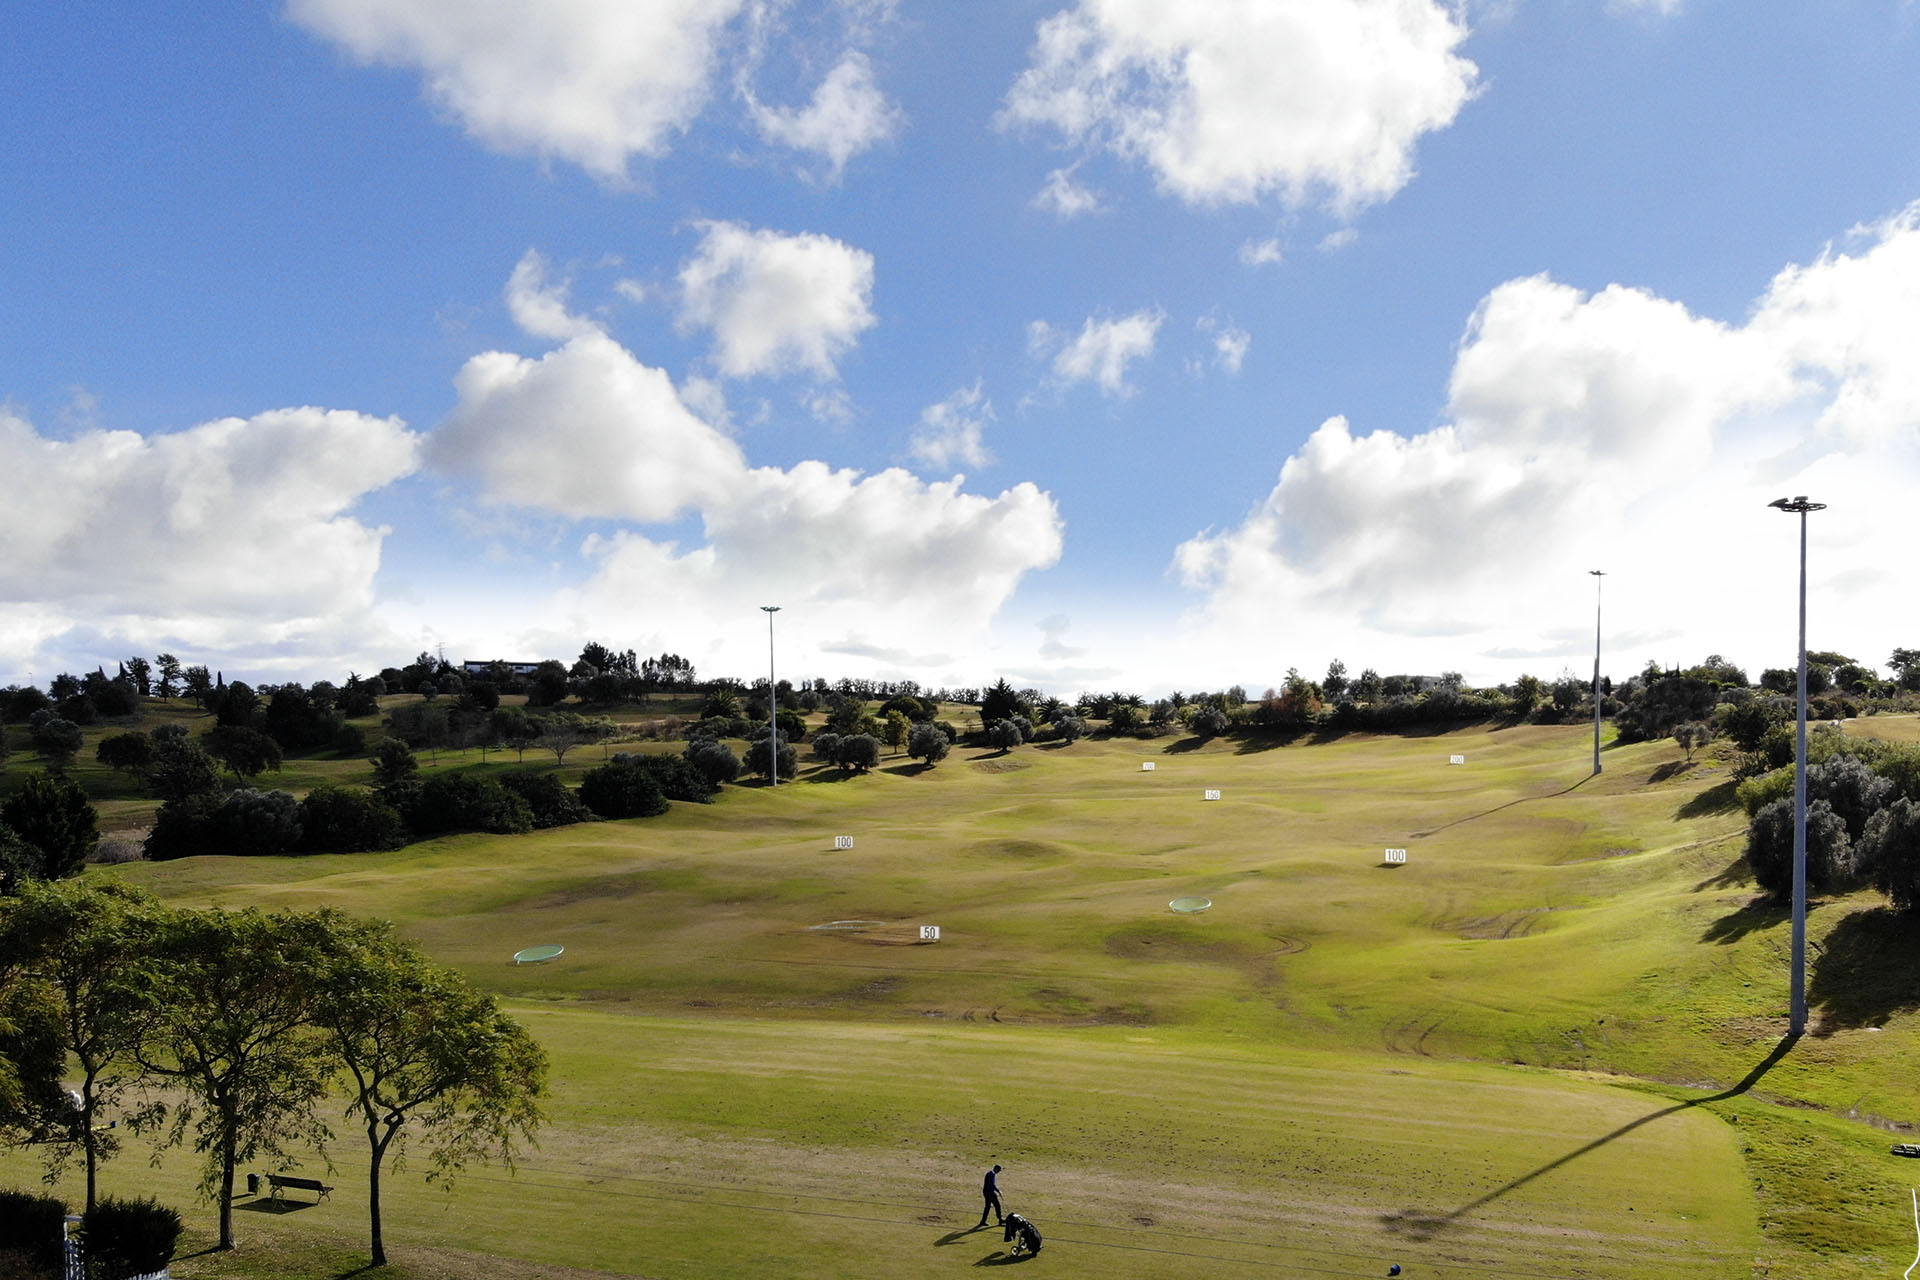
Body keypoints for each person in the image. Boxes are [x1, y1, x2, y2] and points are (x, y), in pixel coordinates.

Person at [977, 1163, 1004, 1228]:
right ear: (996, 1169)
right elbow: (992, 1185)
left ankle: (983, 1221)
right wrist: (998, 1191)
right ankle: (1000, 1220)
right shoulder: (990, 1175)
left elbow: (992, 1185)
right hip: (989, 1193)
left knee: (988, 1207)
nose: (999, 1172)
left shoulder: (992, 1174)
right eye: (999, 1170)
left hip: (989, 1193)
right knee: (997, 1206)